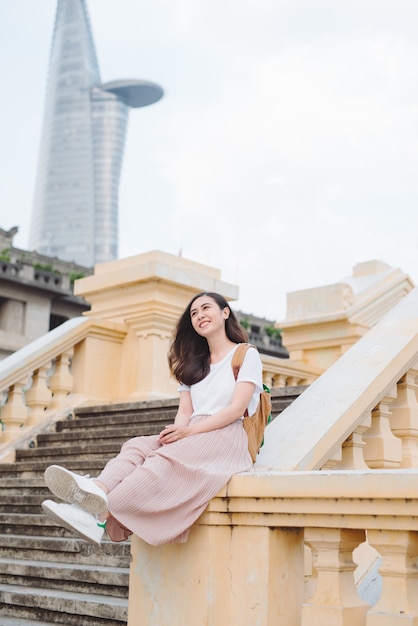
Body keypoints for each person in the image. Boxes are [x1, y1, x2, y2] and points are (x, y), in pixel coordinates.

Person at [42, 292, 263, 546]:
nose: (200, 315)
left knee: (159, 461)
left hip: (226, 436)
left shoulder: (245, 355)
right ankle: (97, 491)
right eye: (194, 313)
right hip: (193, 431)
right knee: (137, 446)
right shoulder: (192, 364)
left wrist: (188, 433)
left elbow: (236, 409)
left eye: (205, 308)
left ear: (225, 313)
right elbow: (185, 412)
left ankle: (98, 516)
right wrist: (178, 431)